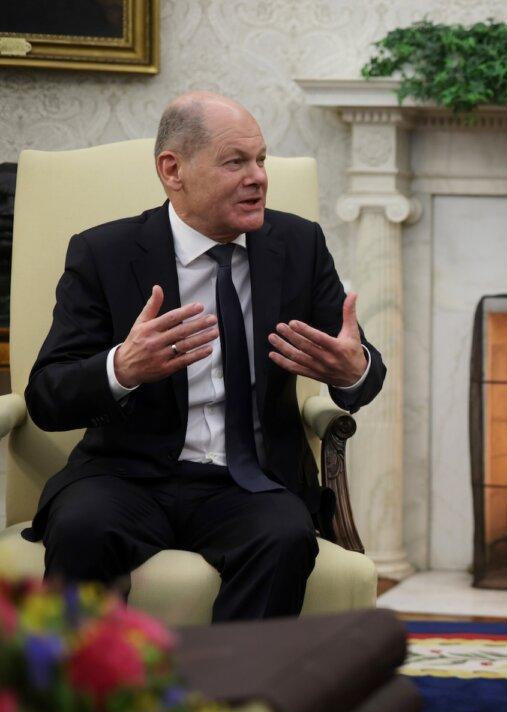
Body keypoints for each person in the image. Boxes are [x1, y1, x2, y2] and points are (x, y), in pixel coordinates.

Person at [22, 92, 386, 621]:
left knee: (284, 536)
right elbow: (47, 397)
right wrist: (121, 369)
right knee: (83, 530)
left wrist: (355, 372)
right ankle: (87, 700)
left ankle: (227, 698)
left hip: (250, 481)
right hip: (125, 477)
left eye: (261, 160)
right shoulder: (106, 253)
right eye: (236, 161)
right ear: (173, 170)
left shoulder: (298, 245)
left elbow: (359, 363)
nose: (258, 176)